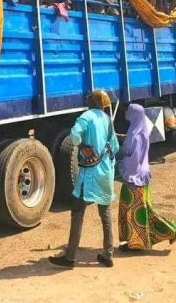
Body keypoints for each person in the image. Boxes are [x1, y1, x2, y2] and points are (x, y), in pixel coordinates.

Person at [50, 90, 119, 269]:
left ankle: (70, 257)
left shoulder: (86, 116)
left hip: (89, 174)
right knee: (105, 214)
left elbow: (74, 136)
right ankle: (108, 254)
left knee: (77, 213)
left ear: (92, 102)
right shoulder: (108, 120)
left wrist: (82, 145)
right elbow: (116, 147)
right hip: (106, 172)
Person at [116, 104, 176, 251]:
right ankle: (136, 241)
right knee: (142, 211)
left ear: (135, 115)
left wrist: (121, 162)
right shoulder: (141, 131)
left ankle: (137, 243)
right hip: (141, 176)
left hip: (134, 178)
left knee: (134, 212)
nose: (126, 113)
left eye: (129, 111)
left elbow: (133, 158)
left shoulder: (136, 135)